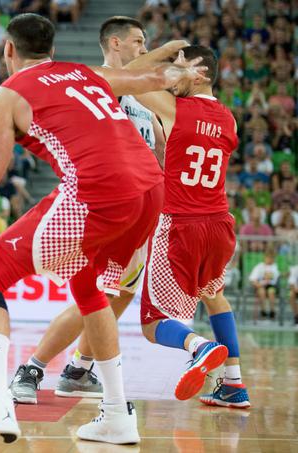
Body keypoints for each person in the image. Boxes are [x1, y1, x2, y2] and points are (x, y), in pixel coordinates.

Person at [0, 13, 207, 445]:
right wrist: (178, 73)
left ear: (9, 50)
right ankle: (117, 416)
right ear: (52, 48)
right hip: (150, 191)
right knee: (89, 288)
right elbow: (148, 79)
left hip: (98, 192)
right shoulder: (82, 72)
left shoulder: (6, 96)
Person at [8, 16, 176, 405]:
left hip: (140, 210)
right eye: (137, 40)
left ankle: (78, 368)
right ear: (114, 44)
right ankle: (32, 369)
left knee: (118, 295)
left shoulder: (143, 104)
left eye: (146, 41)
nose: (143, 47)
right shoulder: (90, 83)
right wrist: (166, 55)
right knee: (96, 295)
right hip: (100, 205)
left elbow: (161, 156)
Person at [127, 45, 251, 408]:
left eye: (177, 69)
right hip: (220, 225)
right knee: (214, 296)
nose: (169, 75)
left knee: (152, 324)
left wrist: (162, 52)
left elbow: (130, 74)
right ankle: (233, 384)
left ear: (198, 74)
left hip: (181, 223)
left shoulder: (174, 107)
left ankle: (200, 346)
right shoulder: (230, 118)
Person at [249, 250, 280, 323]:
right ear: (265, 257)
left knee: (271, 292)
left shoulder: (274, 267)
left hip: (271, 285)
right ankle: (263, 312)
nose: (270, 260)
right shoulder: (259, 266)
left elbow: (274, 278)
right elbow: (252, 279)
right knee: (261, 291)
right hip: (261, 286)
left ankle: (272, 312)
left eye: (272, 258)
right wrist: (257, 284)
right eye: (269, 258)